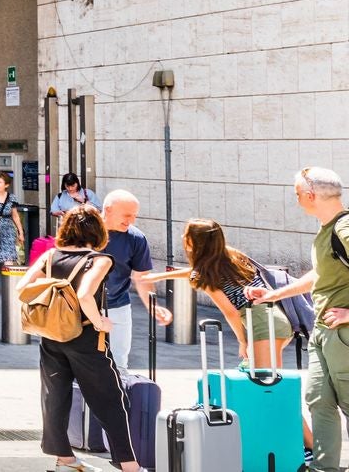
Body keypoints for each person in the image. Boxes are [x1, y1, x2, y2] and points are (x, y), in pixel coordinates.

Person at [250, 167, 349, 472]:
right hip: (322, 331)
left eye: (297, 194)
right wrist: (274, 294)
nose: (296, 200)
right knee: (318, 399)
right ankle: (323, 468)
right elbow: (319, 274)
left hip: (342, 332)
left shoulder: (344, 228)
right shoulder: (327, 229)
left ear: (310, 195)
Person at [31, 205, 142, 472]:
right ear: (98, 231)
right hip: (86, 338)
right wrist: (99, 321)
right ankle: (130, 466)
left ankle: (65, 460)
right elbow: (84, 294)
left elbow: (24, 286)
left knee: (55, 397)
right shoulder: (99, 260)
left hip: (52, 335)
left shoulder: (50, 255)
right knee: (112, 399)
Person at [148, 219, 296, 370]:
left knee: (265, 380)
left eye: (186, 234)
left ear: (193, 241)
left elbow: (230, 312)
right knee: (267, 378)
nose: (182, 237)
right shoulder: (231, 255)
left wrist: (242, 341)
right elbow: (195, 271)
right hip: (277, 319)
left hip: (264, 325)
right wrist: (160, 276)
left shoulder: (205, 274)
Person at [96, 190, 168, 370]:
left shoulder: (136, 238)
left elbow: (141, 276)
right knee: (82, 366)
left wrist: (153, 306)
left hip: (118, 307)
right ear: (108, 209)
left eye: (134, 215)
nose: (131, 221)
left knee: (119, 365)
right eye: (127, 215)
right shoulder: (84, 233)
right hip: (81, 307)